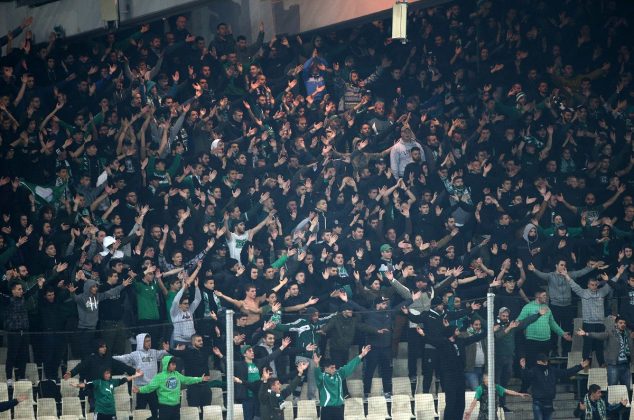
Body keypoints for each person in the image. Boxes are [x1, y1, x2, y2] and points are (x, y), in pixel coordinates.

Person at [420, 325, 486, 420]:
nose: (458, 331)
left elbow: (474, 338)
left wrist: (487, 332)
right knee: (451, 402)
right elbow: (431, 340)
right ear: (451, 332)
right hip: (449, 376)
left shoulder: (460, 341)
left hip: (460, 374)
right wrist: (423, 334)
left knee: (461, 402)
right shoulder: (443, 343)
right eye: (456, 330)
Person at [133, 355, 210, 420]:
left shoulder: (176, 374)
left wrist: (200, 379)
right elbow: (150, 387)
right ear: (167, 364)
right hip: (164, 407)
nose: (175, 366)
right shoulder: (159, 377)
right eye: (172, 364)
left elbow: (187, 379)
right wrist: (139, 390)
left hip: (176, 406)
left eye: (175, 364)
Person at [113, 333, 170, 418]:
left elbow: (165, 353)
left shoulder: (154, 352)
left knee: (155, 411)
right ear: (141, 342)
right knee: (140, 412)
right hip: (141, 389)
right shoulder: (135, 354)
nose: (149, 343)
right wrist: (111, 357)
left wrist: (170, 350)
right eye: (146, 341)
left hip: (153, 388)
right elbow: (123, 358)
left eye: (149, 341)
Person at [520, 354, 588, 420]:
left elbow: (566, 373)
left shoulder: (552, 370)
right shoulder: (534, 370)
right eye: (543, 361)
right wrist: (523, 368)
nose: (545, 363)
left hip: (549, 402)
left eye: (546, 361)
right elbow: (526, 376)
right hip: (538, 401)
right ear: (538, 361)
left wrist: (580, 367)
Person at [313, 345, 372, 420]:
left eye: (335, 367)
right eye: (332, 368)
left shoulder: (339, 374)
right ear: (326, 368)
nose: (334, 369)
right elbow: (317, 374)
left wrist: (362, 355)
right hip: (326, 409)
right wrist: (316, 364)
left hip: (339, 409)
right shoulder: (322, 378)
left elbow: (350, 366)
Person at [564, 270, 611, 365]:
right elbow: (574, 286)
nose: (594, 286)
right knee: (587, 346)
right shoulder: (583, 292)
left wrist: (614, 276)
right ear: (588, 285)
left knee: (599, 347)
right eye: (592, 285)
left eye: (596, 285)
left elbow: (610, 285)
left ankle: (602, 366)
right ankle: (584, 366)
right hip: (588, 323)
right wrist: (566, 275)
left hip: (599, 324)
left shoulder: (602, 292)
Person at [577, 316, 634, 387]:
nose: (623, 324)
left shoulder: (628, 334)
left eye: (624, 323)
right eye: (620, 323)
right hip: (613, 365)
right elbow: (600, 335)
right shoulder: (610, 332)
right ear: (615, 324)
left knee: (626, 388)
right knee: (612, 387)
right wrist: (586, 333)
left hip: (626, 365)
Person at [73, 368, 143, 420]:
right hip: (100, 412)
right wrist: (77, 385)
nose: (108, 375)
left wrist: (135, 376)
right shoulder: (97, 382)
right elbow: (86, 385)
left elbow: (124, 380)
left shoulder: (112, 382)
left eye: (109, 373)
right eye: (106, 373)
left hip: (111, 411)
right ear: (102, 374)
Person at [464, 373, 529, 420]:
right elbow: (474, 401)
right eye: (487, 381)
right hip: (483, 415)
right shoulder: (480, 388)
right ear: (484, 381)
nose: (489, 382)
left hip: (494, 414)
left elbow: (507, 391)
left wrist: (519, 394)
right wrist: (469, 411)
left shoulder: (496, 387)